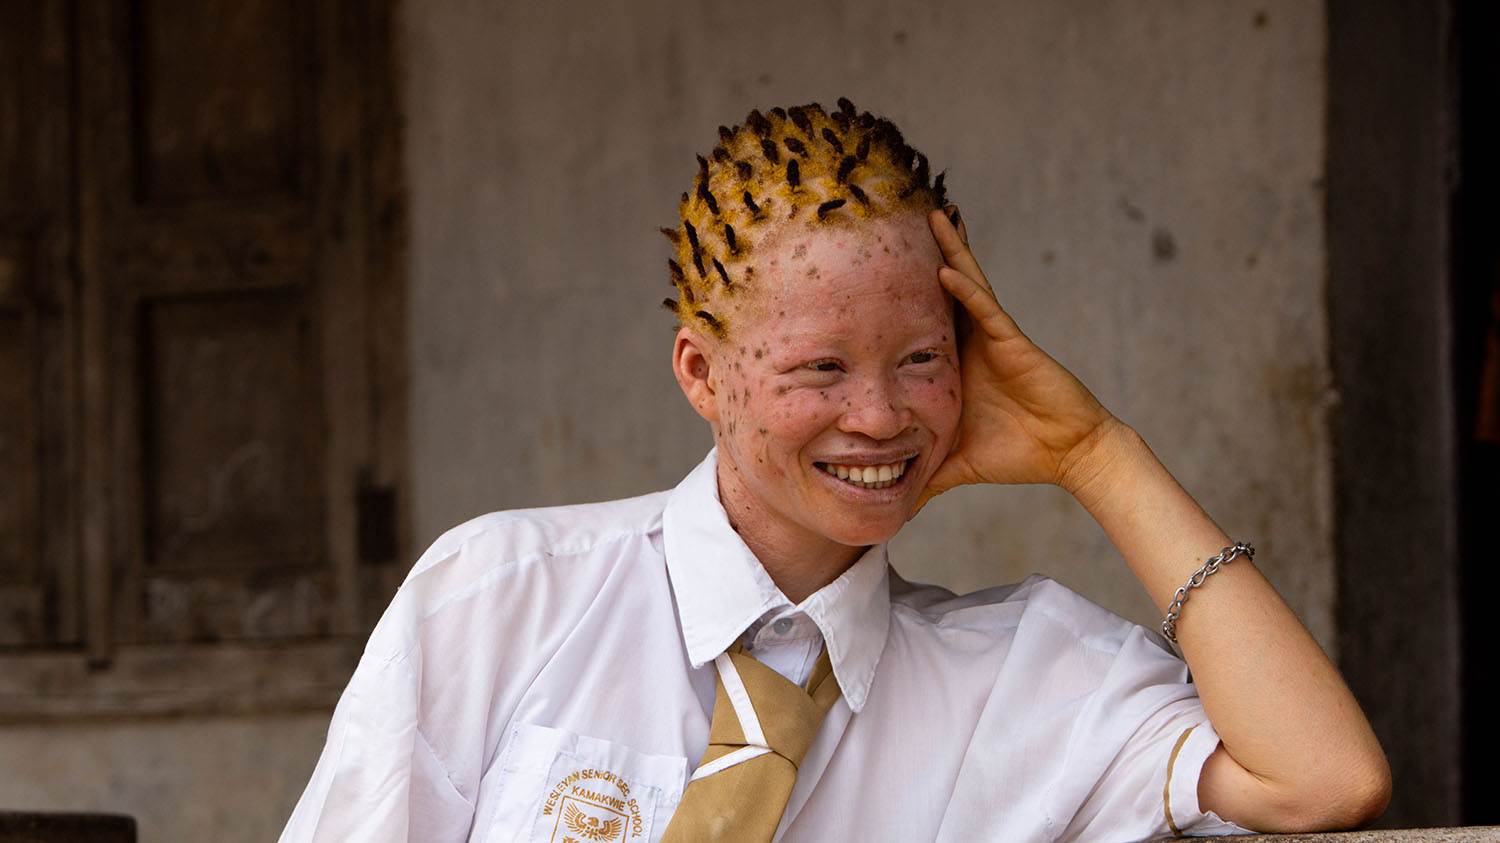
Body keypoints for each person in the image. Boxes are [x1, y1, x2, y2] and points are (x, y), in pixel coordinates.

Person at [280, 99, 1390, 842]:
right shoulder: (503, 597)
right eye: (822, 365)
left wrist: (1097, 454)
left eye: (921, 360)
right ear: (701, 374)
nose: (879, 416)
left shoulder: (1025, 684)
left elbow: (1325, 777)